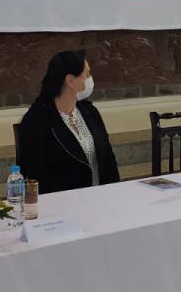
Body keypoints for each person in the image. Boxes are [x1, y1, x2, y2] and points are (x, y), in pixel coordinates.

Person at [18, 50, 119, 193]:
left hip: (100, 197)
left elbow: (109, 160)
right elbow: (38, 174)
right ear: (70, 80)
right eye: (87, 74)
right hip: (62, 200)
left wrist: (113, 192)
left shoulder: (90, 112)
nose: (90, 79)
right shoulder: (37, 120)